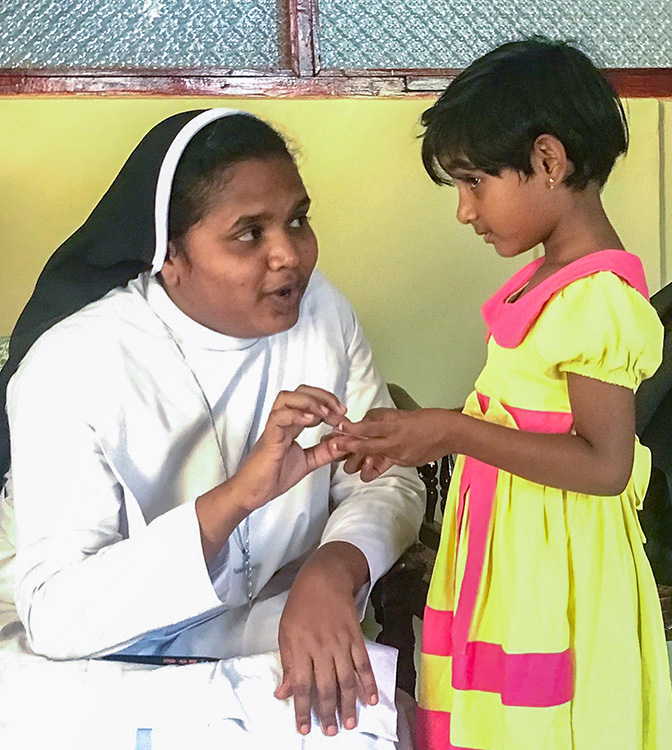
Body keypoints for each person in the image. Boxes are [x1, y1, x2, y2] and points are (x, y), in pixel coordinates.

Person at [0, 109, 424, 746]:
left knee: (367, 715)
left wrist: (332, 571)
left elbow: (384, 477)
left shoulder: (322, 313)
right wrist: (233, 501)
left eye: (298, 221)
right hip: (103, 659)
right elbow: (57, 617)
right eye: (249, 234)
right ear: (169, 254)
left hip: (272, 633)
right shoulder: (71, 365)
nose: (289, 255)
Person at [331, 39, 672, 750]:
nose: (465, 211)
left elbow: (604, 464)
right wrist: (416, 429)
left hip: (560, 570)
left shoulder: (597, 301)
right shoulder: (543, 281)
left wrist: (451, 433)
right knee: (504, 720)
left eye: (474, 184)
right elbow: (525, 417)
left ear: (548, 163)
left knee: (550, 723)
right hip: (513, 552)